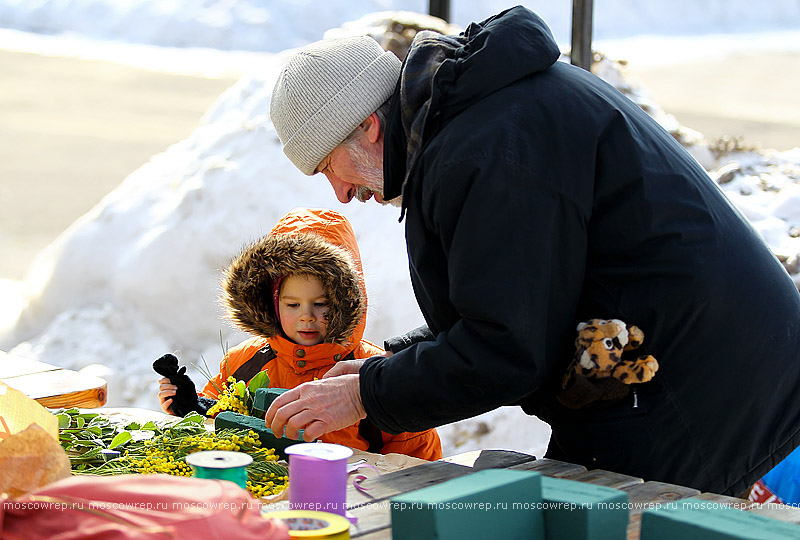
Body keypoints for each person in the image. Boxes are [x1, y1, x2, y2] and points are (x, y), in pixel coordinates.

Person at [264, 6, 800, 496]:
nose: (339, 194)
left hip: (716, 408)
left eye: (328, 166)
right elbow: (516, 308)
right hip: (660, 376)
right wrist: (386, 366)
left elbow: (508, 350)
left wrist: (368, 395)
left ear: (369, 126)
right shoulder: (479, 121)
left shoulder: (487, 150)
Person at [158, 207, 442, 461]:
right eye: (292, 304)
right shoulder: (245, 361)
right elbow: (221, 421)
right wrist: (192, 405)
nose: (307, 316)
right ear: (271, 302)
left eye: (321, 304)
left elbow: (416, 461)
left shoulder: (374, 372)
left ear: (345, 301)